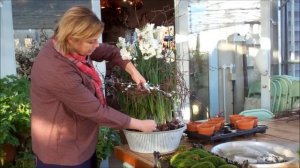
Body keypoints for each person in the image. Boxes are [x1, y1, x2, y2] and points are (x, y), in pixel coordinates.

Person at [30, 6, 157, 168]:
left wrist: (133, 72)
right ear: (71, 38)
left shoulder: (68, 46)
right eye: (91, 41)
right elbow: (97, 111)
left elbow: (110, 52)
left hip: (80, 143)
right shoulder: (57, 70)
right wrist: (140, 125)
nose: (96, 45)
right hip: (62, 155)